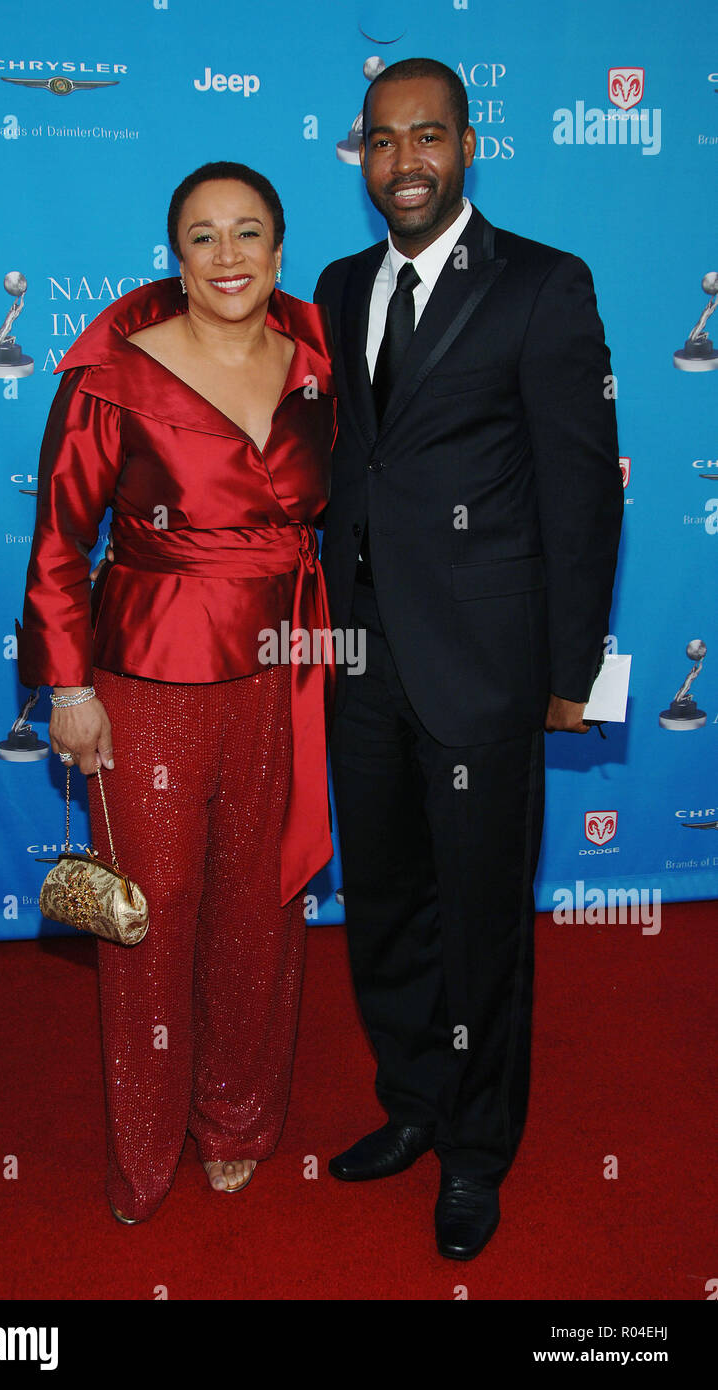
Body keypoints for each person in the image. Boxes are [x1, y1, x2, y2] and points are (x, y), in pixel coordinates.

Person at [314, 58, 624, 1259]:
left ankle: (476, 1151)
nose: (404, 163)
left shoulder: (544, 285)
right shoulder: (341, 286)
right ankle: (412, 1105)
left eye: (426, 136)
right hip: (361, 660)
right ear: (363, 157)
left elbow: (583, 489)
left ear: (466, 145)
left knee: (482, 918)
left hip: (487, 666)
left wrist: (570, 667)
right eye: (382, 143)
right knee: (386, 905)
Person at [16, 162, 336, 1221]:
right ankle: (146, 1150)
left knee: (261, 909)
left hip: (284, 670)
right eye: (204, 236)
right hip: (149, 679)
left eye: (250, 232)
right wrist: (67, 685)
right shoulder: (114, 372)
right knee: (150, 925)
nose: (230, 254)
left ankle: (236, 1120)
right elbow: (61, 541)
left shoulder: (320, 359)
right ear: (177, 256)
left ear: (280, 251)